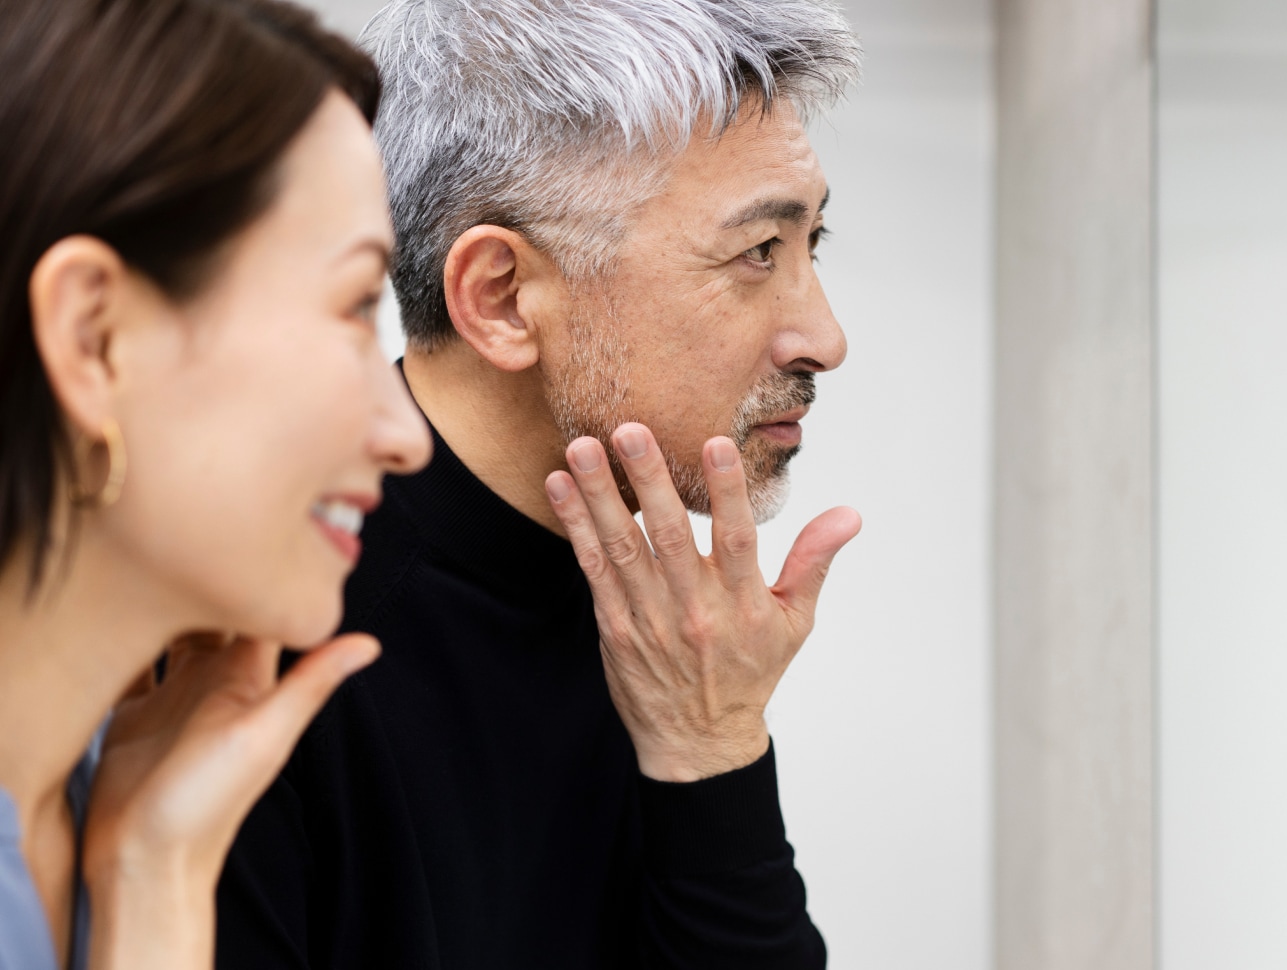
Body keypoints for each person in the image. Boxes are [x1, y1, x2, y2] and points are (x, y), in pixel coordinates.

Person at [216, 1, 863, 967]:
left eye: (813, 243)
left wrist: (714, 751)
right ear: (502, 299)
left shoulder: (680, 638)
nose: (824, 338)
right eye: (757, 252)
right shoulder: (253, 646)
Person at [0, 0, 431, 967]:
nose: (407, 437)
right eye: (354, 306)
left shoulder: (95, 814)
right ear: (94, 338)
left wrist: (157, 879)